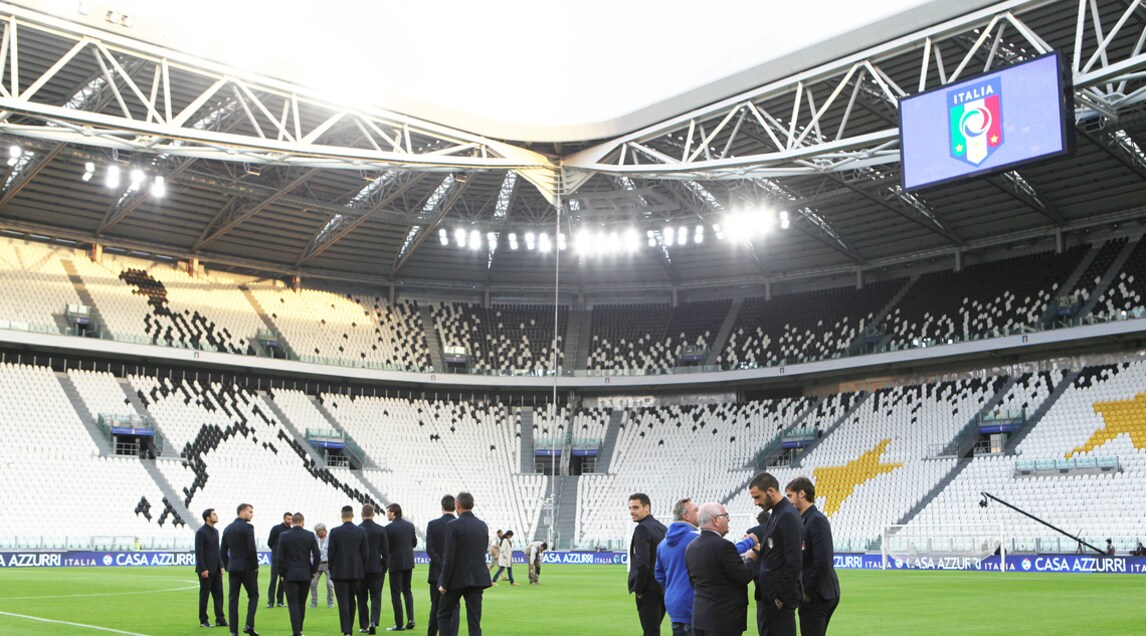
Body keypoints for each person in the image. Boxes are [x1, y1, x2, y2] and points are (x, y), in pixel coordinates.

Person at [685, 502, 757, 636]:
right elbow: (744, 576)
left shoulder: (691, 547)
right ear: (716, 520)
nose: (728, 520)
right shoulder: (724, 546)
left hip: (700, 618)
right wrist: (750, 558)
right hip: (724, 620)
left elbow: (693, 581)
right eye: (726, 516)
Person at [748, 472, 801, 636]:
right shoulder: (776, 514)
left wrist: (780, 598)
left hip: (779, 602)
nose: (756, 503)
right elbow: (776, 552)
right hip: (769, 599)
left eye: (757, 497)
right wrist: (759, 549)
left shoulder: (787, 515)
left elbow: (794, 562)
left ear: (771, 491)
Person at [786, 477, 840, 636]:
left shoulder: (816, 520)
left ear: (801, 494)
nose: (788, 500)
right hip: (817, 593)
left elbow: (822, 562)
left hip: (818, 595)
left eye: (790, 495)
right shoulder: (805, 520)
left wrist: (808, 592)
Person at [437, 491, 493, 636]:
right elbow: (482, 551)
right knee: (474, 623)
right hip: (477, 578)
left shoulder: (453, 526)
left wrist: (444, 582)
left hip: (457, 579)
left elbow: (449, 557)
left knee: (443, 614)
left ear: (457, 505)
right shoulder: (482, 525)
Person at [655, 498, 700, 636]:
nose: (699, 513)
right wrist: (749, 542)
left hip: (673, 604)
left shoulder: (662, 544)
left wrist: (674, 587)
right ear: (686, 515)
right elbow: (725, 552)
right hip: (693, 603)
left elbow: (659, 575)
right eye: (696, 510)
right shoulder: (697, 539)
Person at [628, 492, 668, 636]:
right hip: (663, 588)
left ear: (647, 508)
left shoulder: (642, 528)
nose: (632, 511)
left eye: (636, 507)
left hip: (648, 590)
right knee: (654, 629)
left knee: (650, 631)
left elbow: (643, 562)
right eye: (630, 508)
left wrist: (639, 589)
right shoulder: (662, 527)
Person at [278, 512, 321, 636]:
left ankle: (296, 631)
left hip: (289, 574)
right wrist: (313, 570)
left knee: (293, 604)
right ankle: (299, 628)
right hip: (305, 574)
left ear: (292, 522)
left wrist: (281, 573)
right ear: (303, 522)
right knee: (302, 602)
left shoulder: (284, 536)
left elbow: (280, 557)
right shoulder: (309, 535)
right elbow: (317, 555)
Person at [220, 503, 260, 636]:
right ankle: (249, 625)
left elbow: (222, 551)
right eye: (250, 512)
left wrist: (228, 565)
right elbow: (251, 549)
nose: (252, 515)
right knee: (253, 595)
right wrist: (255, 566)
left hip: (233, 569)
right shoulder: (248, 528)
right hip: (247, 568)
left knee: (233, 599)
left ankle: (234, 632)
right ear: (242, 512)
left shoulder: (227, 529)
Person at [330, 504, 368, 636]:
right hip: (356, 572)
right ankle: (349, 628)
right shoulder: (361, 531)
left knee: (343, 602)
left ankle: (346, 630)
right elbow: (365, 554)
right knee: (352, 600)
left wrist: (332, 569)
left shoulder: (335, 532)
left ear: (342, 516)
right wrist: (361, 569)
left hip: (339, 572)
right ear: (353, 515)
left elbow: (331, 554)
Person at [427, 495, 459, 636]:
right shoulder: (459, 525)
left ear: (442, 507)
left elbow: (430, 549)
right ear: (455, 507)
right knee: (454, 608)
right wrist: (448, 567)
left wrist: (441, 566)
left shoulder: (432, 525)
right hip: (454, 574)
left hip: (436, 573)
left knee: (435, 607)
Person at [358, 503, 391, 635]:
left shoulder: (358, 529)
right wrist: (384, 567)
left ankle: (364, 625)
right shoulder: (381, 530)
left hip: (361, 570)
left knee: (361, 598)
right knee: (376, 597)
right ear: (373, 514)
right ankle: (373, 621)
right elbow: (385, 551)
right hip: (377, 568)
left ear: (362, 515)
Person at [385, 502, 418, 631]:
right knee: (407, 590)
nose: (387, 514)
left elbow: (385, 547)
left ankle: (399, 624)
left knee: (395, 593)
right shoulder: (410, 526)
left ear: (393, 513)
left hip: (395, 563)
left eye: (388, 512)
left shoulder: (388, 528)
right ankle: (411, 619)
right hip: (408, 562)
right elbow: (414, 543)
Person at [194, 507, 228, 628]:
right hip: (206, 570)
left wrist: (221, 565)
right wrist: (203, 569)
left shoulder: (216, 531)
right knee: (204, 596)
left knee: (219, 595)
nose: (216, 516)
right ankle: (203, 620)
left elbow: (217, 551)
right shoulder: (201, 532)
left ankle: (220, 619)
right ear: (208, 518)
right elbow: (199, 552)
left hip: (216, 569)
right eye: (214, 514)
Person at [267, 512, 292, 608]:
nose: (290, 521)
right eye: (288, 519)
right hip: (276, 558)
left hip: (286, 559)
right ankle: (270, 602)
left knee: (283, 581)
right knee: (273, 580)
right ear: (284, 519)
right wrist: (276, 550)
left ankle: (280, 601)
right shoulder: (276, 528)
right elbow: (270, 542)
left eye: (291, 519)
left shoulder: (291, 530)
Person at [310, 523, 335, 609]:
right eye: (317, 532)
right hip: (317, 564)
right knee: (313, 583)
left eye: (319, 532)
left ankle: (330, 602)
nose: (318, 534)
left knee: (329, 584)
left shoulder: (331, 538)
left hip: (328, 564)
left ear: (324, 530)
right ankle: (314, 602)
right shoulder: (314, 539)